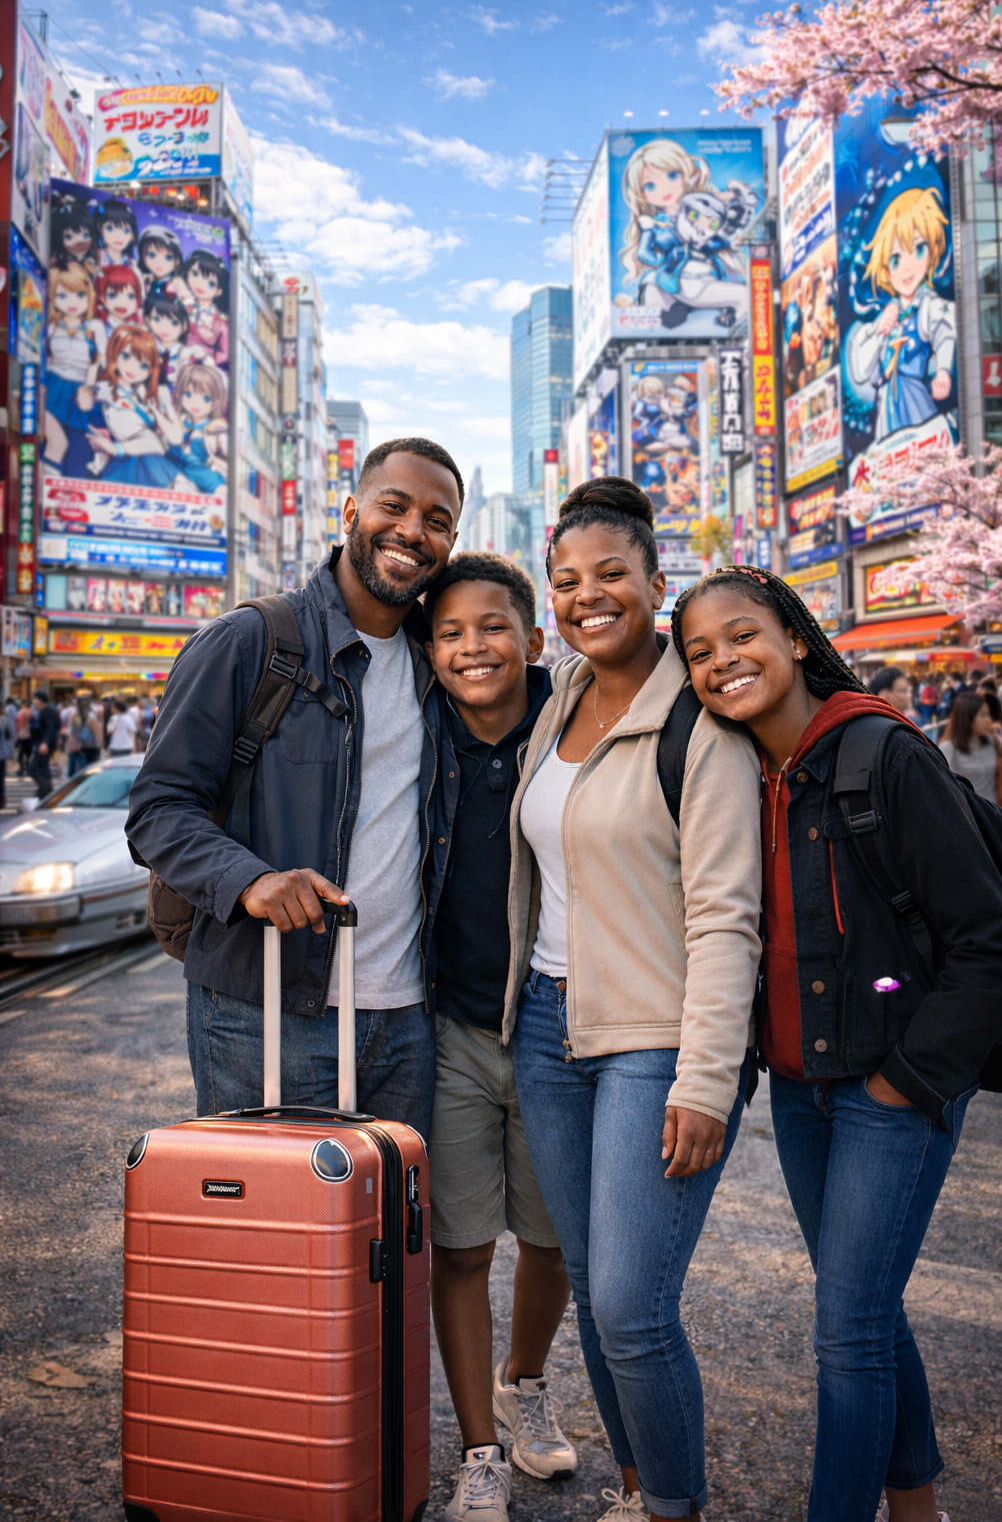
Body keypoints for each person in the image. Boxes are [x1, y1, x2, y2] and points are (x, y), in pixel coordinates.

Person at [674, 565, 1002, 1522]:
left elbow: (992, 942)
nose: (722, 662)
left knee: (847, 1329)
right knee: (863, 1306)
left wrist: (906, 1086)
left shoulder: (882, 754)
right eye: (699, 653)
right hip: (799, 1089)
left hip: (889, 1090)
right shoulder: (735, 773)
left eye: (741, 636)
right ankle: (915, 1507)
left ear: (794, 637)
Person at [505, 480, 763, 1522]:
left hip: (654, 1043)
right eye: (567, 581)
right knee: (594, 1293)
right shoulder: (558, 696)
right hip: (545, 1031)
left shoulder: (700, 725)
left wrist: (705, 1081)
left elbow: (726, 917)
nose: (587, 595)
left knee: (628, 1303)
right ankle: (638, 1485)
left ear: (659, 584)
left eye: (611, 574)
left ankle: (675, 1507)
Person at [126, 437, 464, 1135]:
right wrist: (249, 880)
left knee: (387, 1241)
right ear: (349, 510)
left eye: (437, 519)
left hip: (408, 1018)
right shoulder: (250, 640)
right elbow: (158, 809)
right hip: (263, 1010)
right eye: (393, 506)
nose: (412, 531)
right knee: (272, 1238)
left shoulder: (445, 663)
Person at [420, 553, 575, 1522]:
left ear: (532, 638)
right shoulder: (415, 731)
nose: (471, 647)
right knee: (462, 1246)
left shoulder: (576, 723)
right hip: (447, 1027)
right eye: (448, 632)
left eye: (491, 628)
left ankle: (525, 1386)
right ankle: (479, 1446)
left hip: (557, 1023)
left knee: (553, 1240)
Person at [939, 690, 1002, 807]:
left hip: (998, 813)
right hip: (970, 817)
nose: (988, 720)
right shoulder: (949, 747)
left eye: (988, 714)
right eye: (983, 715)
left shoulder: (993, 740)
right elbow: (943, 789)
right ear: (967, 718)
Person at [28, 691, 60, 799]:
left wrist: (45, 742)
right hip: (44, 743)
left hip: (44, 744)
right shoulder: (46, 711)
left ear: (40, 700)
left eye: (35, 699)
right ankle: (45, 788)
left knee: (32, 768)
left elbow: (51, 728)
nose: (34, 702)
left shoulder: (48, 712)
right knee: (43, 767)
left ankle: (46, 787)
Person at [0, 697, 15, 809]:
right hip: (2, 752)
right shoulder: (4, 718)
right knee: (1, 777)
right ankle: (1, 799)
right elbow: (10, 734)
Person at [16, 699, 33, 774]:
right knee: (28, 753)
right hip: (29, 735)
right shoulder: (31, 711)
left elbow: (18, 725)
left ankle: (21, 768)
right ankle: (28, 768)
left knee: (21, 752)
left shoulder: (20, 712)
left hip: (21, 735)